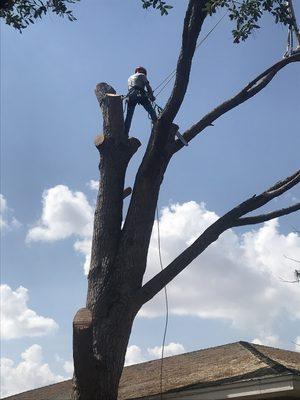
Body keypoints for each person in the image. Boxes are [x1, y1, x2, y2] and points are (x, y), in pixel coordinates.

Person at [124, 66, 157, 137]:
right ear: (140, 70)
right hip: (140, 94)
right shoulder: (142, 75)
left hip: (131, 96)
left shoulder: (130, 78)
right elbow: (147, 86)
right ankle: (157, 124)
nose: (144, 73)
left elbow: (135, 87)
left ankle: (125, 133)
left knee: (129, 116)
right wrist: (151, 95)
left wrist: (147, 94)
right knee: (151, 111)